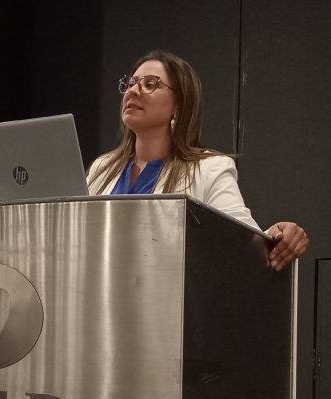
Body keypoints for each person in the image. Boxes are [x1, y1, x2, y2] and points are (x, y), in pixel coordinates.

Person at [87, 50, 308, 271]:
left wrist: (277, 235)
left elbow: (243, 239)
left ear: (179, 106)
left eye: (150, 84)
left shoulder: (209, 168)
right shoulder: (102, 168)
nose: (134, 91)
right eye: (132, 83)